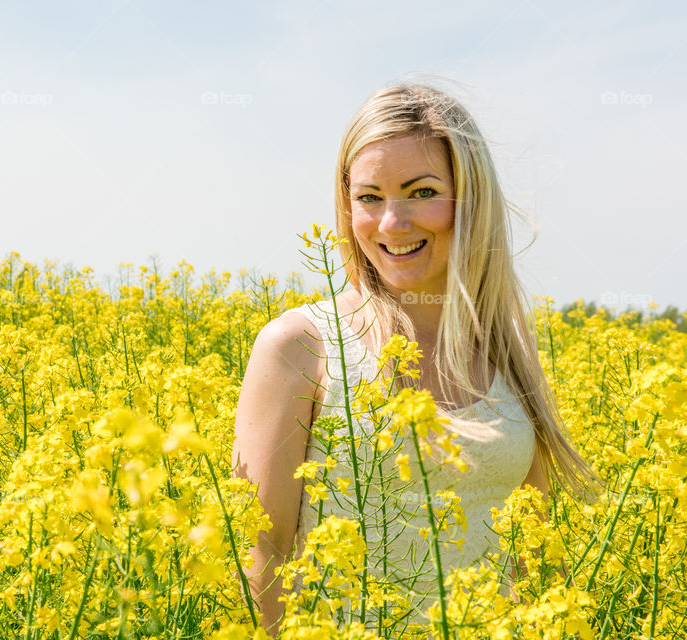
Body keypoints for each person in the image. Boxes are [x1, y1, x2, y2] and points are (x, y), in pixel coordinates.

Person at [230, 83, 599, 636]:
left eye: (422, 192)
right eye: (369, 197)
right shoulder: (298, 346)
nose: (392, 223)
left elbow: (534, 551)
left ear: (471, 199)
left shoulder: (509, 343)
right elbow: (260, 555)